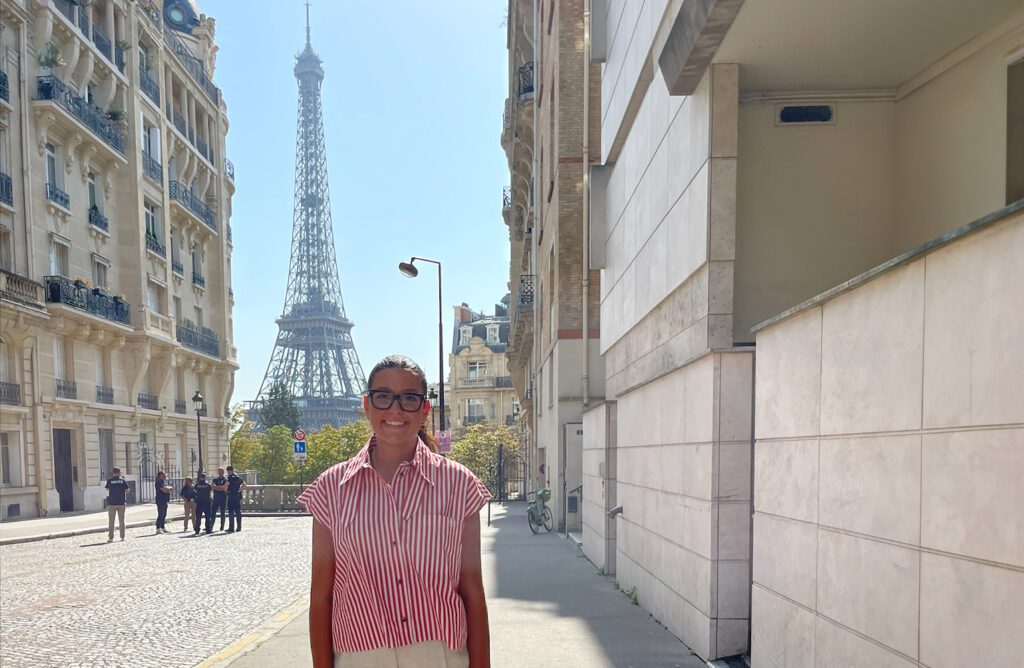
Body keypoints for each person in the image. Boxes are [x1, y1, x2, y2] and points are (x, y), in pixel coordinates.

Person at [299, 355, 491, 668]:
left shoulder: (459, 484)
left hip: (439, 654)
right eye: (383, 396)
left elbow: (472, 590)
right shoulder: (330, 488)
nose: (396, 409)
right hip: (359, 655)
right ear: (367, 404)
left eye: (409, 398)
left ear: (425, 409)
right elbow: (322, 596)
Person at [105, 467, 131, 543]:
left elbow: (107, 489)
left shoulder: (110, 480)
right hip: (121, 503)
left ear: (113, 473)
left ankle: (110, 538)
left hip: (111, 503)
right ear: (119, 472)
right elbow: (127, 491)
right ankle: (122, 537)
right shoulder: (123, 481)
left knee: (111, 521)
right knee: (121, 521)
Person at [225, 466, 246, 533]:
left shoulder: (229, 478)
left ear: (228, 471)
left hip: (231, 496)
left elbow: (226, 485)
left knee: (231, 512)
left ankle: (231, 528)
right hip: (237, 496)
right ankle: (239, 527)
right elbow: (244, 485)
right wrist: (240, 490)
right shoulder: (238, 478)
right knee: (238, 512)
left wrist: (226, 491)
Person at [210, 467, 228, 532]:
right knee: (213, 512)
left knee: (223, 513)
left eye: (220, 471)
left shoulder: (226, 479)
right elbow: (213, 486)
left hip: (223, 497)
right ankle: (211, 526)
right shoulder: (215, 479)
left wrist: (217, 487)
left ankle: (222, 526)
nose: (219, 472)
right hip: (216, 497)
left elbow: (225, 488)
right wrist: (220, 488)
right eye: (218, 471)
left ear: (223, 472)